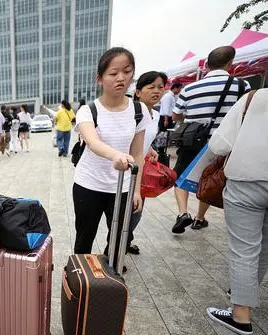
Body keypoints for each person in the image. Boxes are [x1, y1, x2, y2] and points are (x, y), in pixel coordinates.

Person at [73, 47, 152, 267]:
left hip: (123, 186)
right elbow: (93, 142)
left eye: (127, 71)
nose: (121, 78)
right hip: (88, 184)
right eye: (113, 73)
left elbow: (138, 152)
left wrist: (137, 190)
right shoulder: (88, 110)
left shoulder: (139, 110)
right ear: (100, 78)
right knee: (84, 237)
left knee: (119, 237)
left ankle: (110, 274)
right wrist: (117, 156)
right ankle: (80, 278)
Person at [206, 89, 266, 335]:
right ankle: (246, 289)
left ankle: (240, 314)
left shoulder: (255, 98)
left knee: (244, 247)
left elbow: (219, 144)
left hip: (247, 179)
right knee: (265, 245)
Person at [171, 46, 250, 234]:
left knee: (181, 177)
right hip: (224, 143)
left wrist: (192, 119)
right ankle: (199, 218)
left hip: (192, 140)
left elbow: (176, 115)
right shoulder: (241, 86)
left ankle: (183, 213)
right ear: (230, 64)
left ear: (206, 65)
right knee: (208, 179)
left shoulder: (189, 88)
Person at [127, 71, 167, 255]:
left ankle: (125, 241)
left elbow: (144, 138)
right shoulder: (130, 112)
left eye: (160, 87)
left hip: (140, 170)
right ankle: (116, 249)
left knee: (136, 210)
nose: (156, 91)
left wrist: (150, 149)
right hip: (124, 169)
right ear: (138, 92)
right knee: (123, 214)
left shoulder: (156, 115)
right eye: (151, 87)